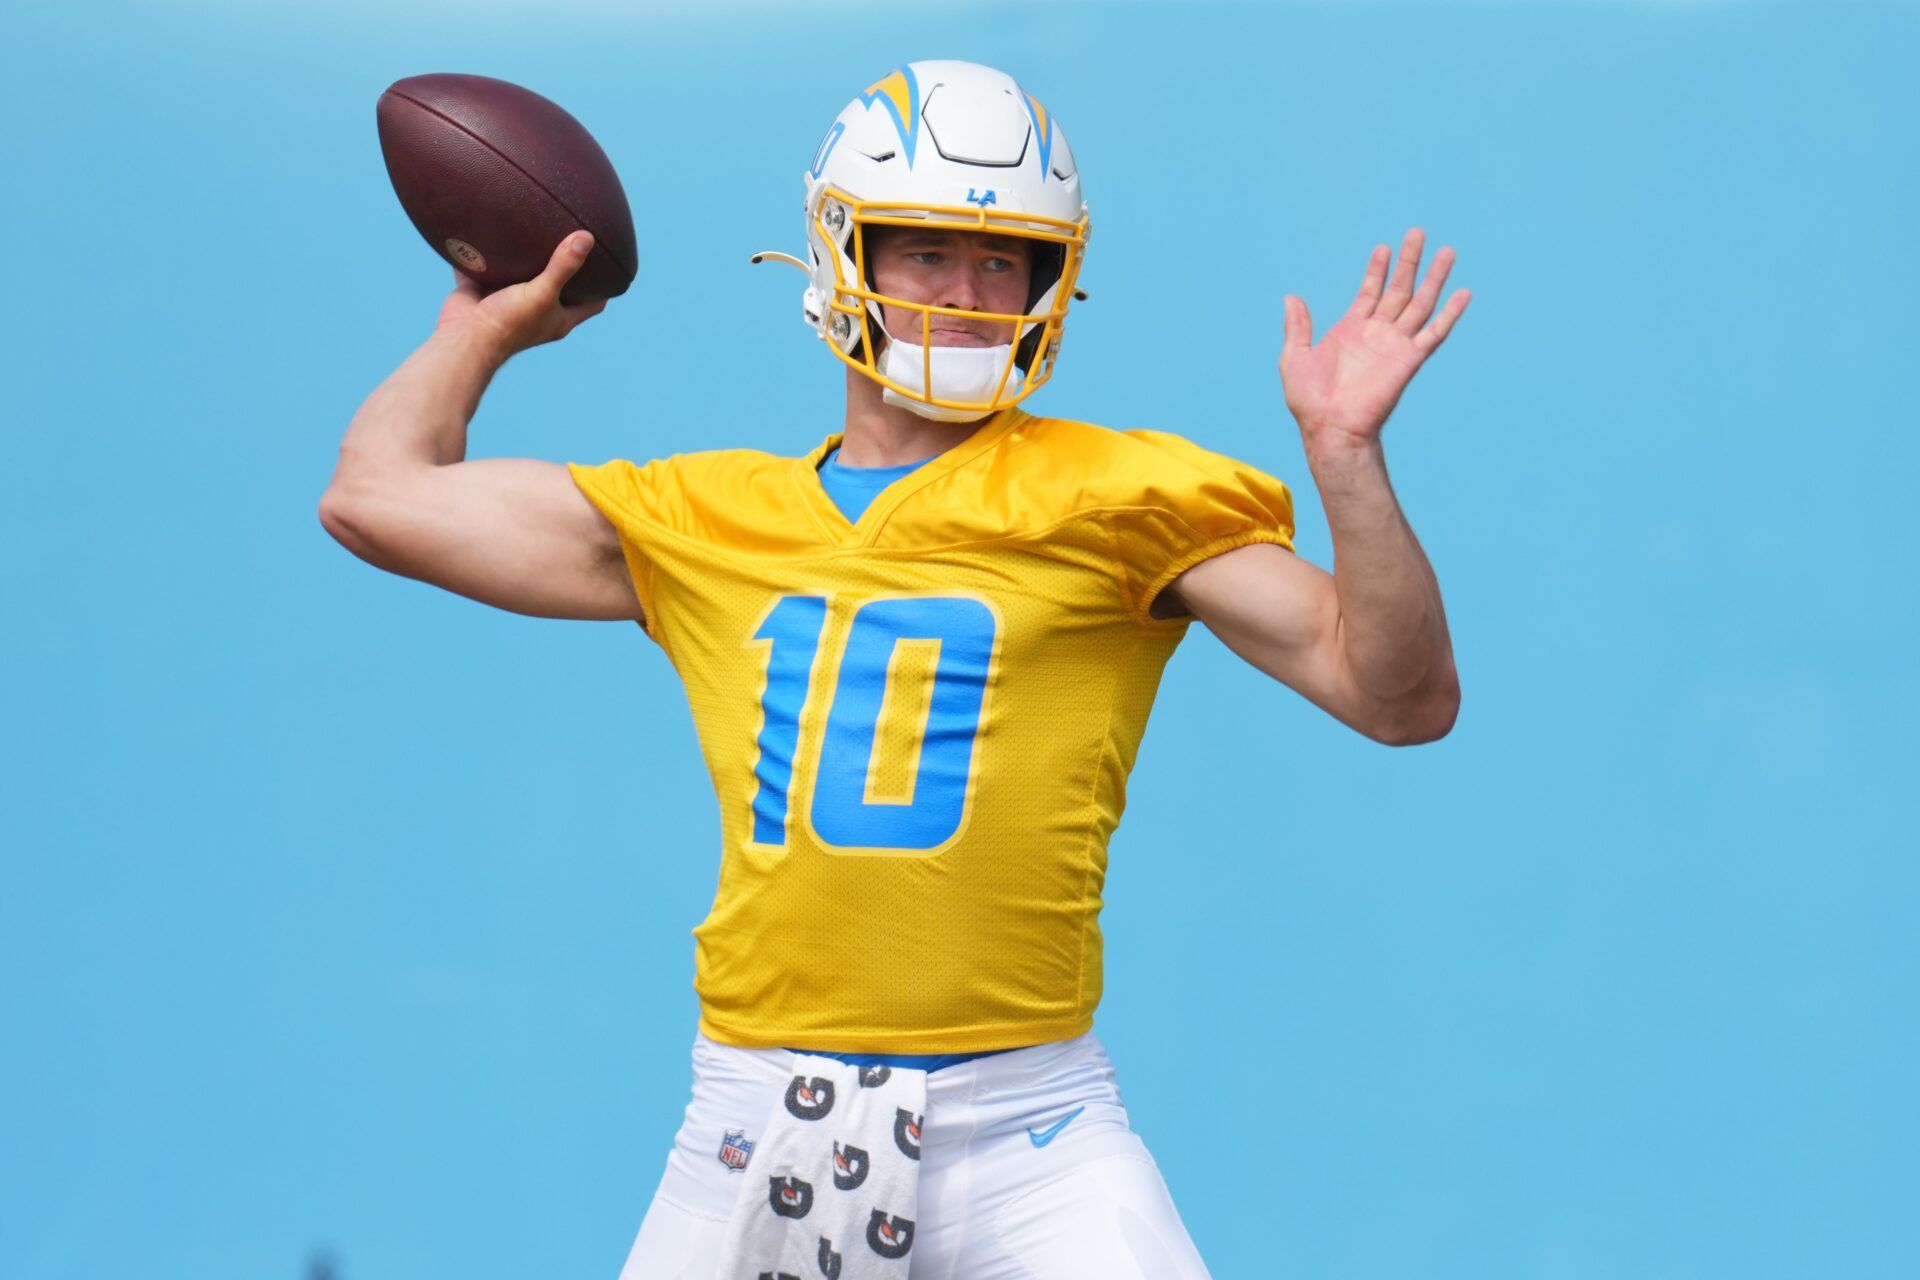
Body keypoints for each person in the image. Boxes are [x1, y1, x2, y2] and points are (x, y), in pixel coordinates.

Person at [321, 59, 1467, 1279]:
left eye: (1002, 260)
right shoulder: (704, 518)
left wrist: (1346, 459)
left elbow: (1398, 696)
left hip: (1032, 1135)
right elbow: (375, 496)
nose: (970, 294)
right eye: (927, 252)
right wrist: (488, 327)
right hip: (750, 1117)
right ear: (842, 253)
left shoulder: (1121, 495)